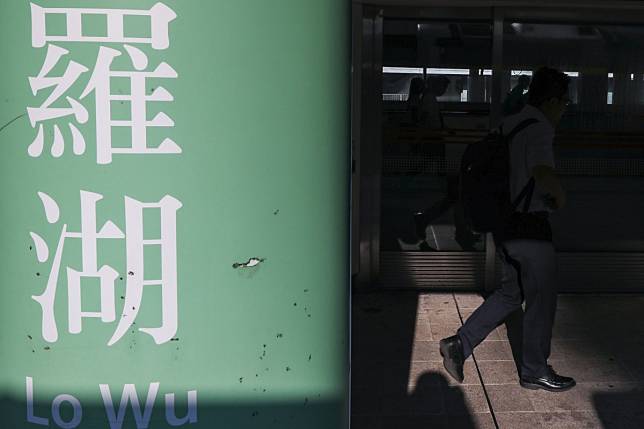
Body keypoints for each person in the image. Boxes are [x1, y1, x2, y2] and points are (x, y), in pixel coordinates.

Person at [439, 67, 575, 392]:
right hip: (530, 229)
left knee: (510, 294)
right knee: (542, 300)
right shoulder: (540, 127)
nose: (565, 109)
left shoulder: (510, 122)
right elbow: (542, 171)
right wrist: (560, 197)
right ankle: (535, 371)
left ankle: (460, 344)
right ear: (552, 100)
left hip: (505, 225)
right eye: (564, 103)